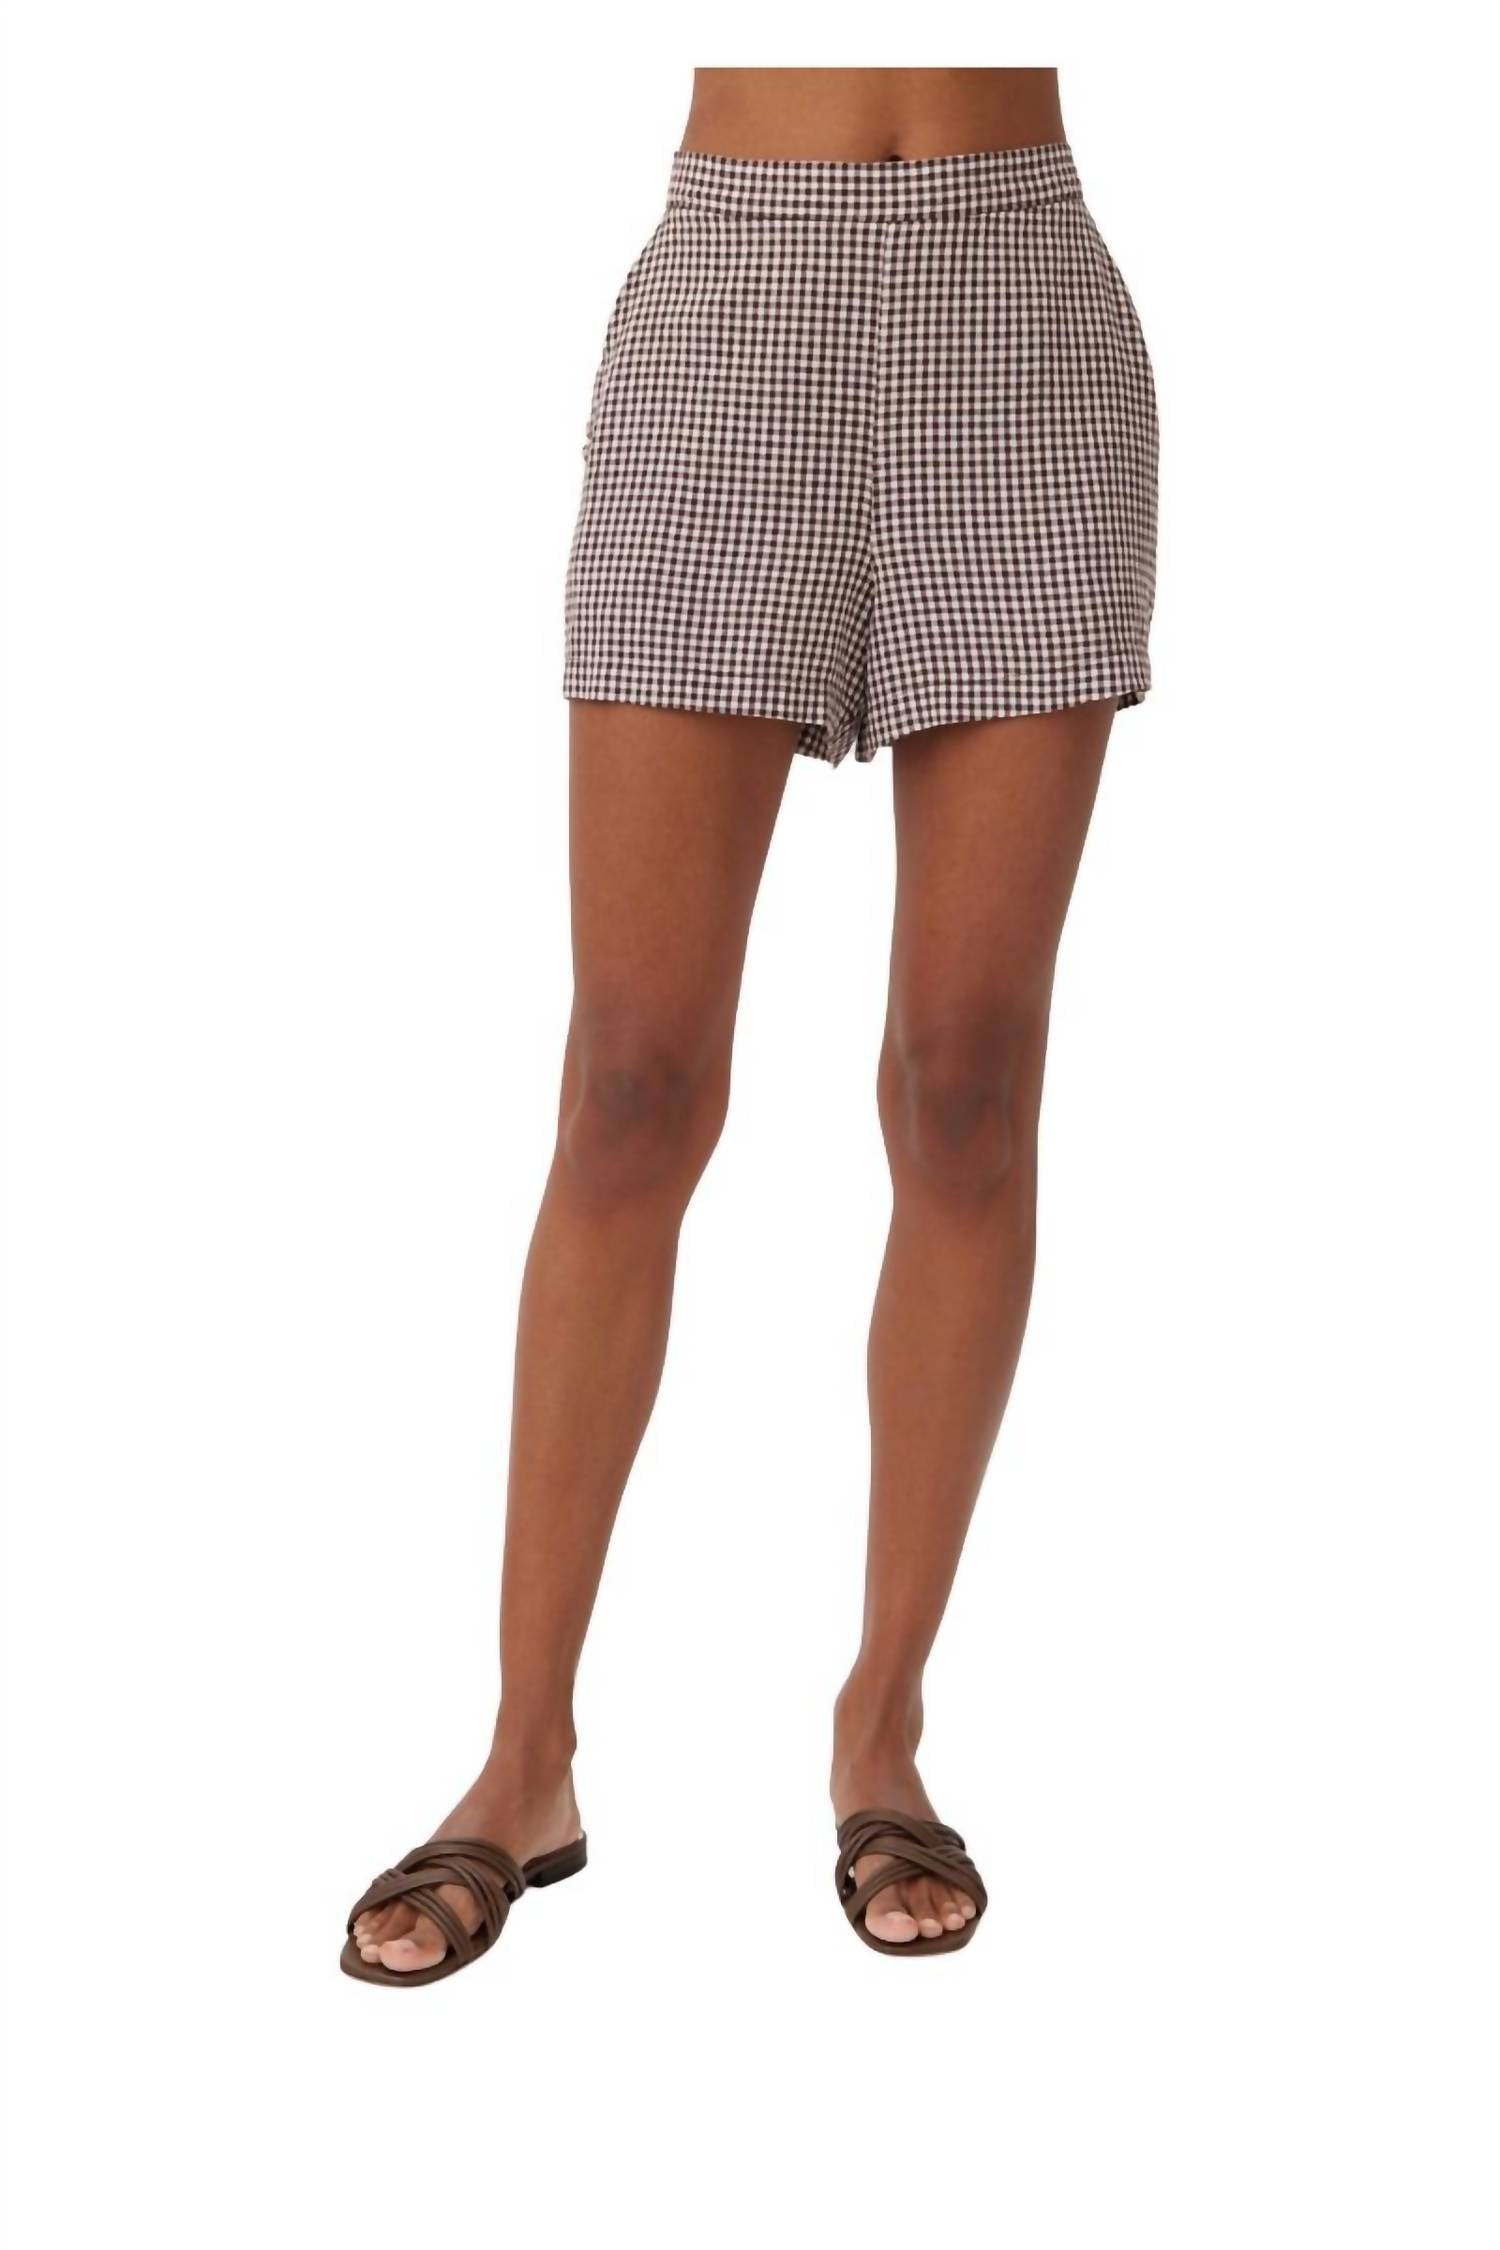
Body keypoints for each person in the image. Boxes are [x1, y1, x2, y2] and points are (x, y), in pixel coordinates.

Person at [342, 67, 1157, 1981]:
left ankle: (883, 1723)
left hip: (1022, 315)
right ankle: (524, 1756)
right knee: (630, 1083)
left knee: (966, 1086)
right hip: (737, 296)